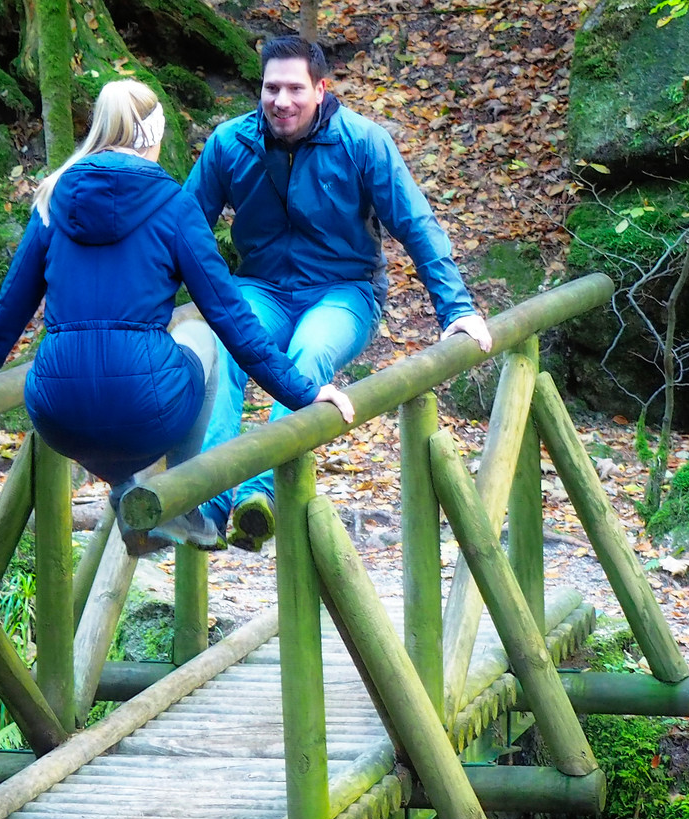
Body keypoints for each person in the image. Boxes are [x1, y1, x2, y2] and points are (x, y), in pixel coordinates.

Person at [0, 79, 354, 553]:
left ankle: (132, 493)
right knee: (200, 334)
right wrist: (304, 392)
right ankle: (184, 501)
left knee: (130, 376)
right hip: (145, 413)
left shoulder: (53, 199)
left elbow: (3, 319)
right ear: (153, 134)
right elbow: (231, 317)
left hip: (57, 414)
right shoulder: (174, 205)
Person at [184, 34, 492, 550]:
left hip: (343, 291)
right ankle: (210, 499)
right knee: (221, 347)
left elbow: (415, 224)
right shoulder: (229, 144)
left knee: (308, 357)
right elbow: (184, 232)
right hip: (261, 287)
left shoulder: (361, 141)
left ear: (321, 89)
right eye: (271, 88)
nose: (282, 101)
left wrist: (456, 308)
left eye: (295, 89)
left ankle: (258, 497)